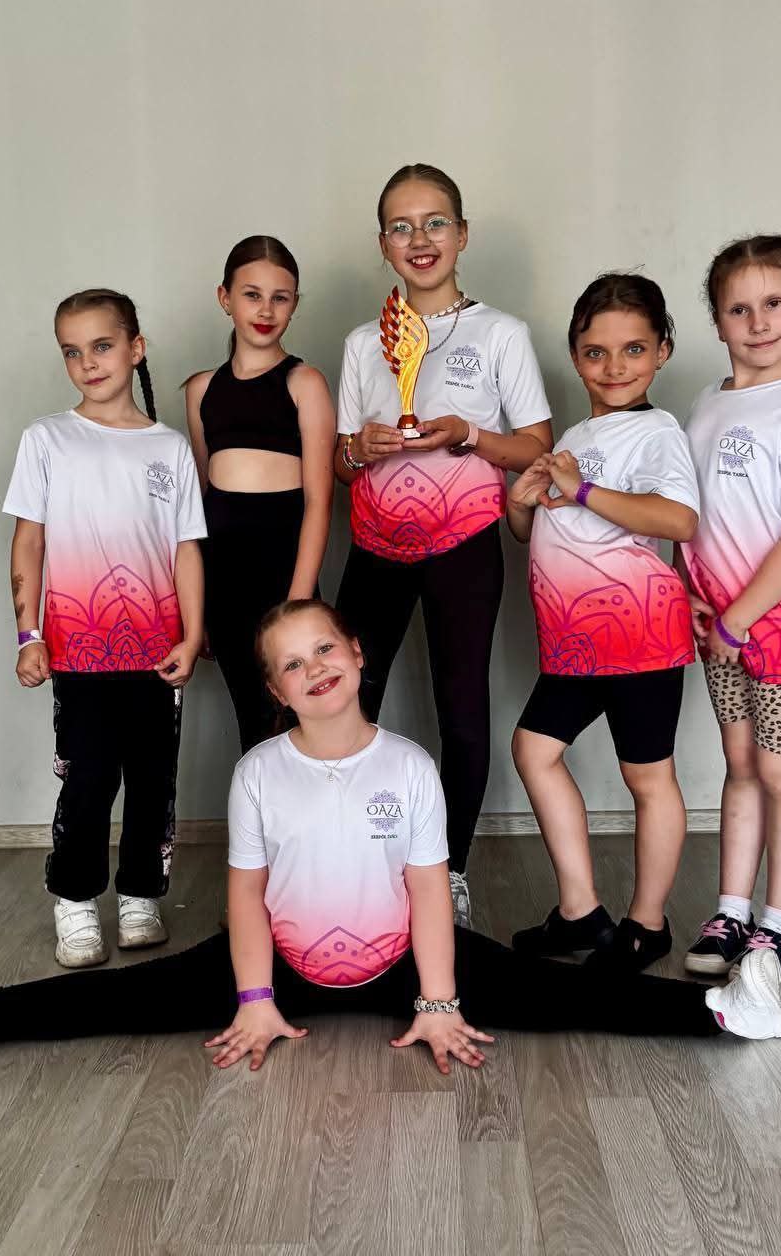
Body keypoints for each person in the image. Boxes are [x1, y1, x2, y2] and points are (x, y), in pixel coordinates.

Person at [0, 601, 781, 1063]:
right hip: (280, 961)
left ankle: (726, 1012)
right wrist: (254, 997)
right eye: (293, 664)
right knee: (131, 999)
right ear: (276, 691)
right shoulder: (260, 772)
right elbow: (246, 897)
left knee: (557, 994)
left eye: (326, 649)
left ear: (358, 654)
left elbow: (427, 891)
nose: (315, 669)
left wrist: (439, 1001)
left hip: (405, 957)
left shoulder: (407, 767)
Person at [334, 164, 554, 927]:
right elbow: (339, 462)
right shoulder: (363, 344)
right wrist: (356, 449)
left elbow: (536, 448)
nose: (419, 238)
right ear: (383, 245)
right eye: (401, 226)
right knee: (347, 698)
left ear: (461, 236)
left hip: (464, 548)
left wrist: (470, 435)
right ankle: (352, 862)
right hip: (375, 548)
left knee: (459, 709)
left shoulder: (501, 334)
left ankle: (451, 868)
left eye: (434, 223)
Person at [4, 289, 206, 968]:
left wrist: (192, 635)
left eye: (102, 346)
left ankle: (142, 896)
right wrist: (29, 635)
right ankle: (75, 900)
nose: (88, 362)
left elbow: (185, 548)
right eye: (72, 351)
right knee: (88, 779)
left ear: (135, 349)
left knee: (153, 780)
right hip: (77, 652)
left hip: (156, 654)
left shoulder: (168, 447)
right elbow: (29, 542)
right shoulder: (47, 439)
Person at [508, 275, 700, 973]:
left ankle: (647, 924)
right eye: (596, 352)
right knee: (534, 750)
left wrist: (582, 487)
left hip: (639, 636)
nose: (614, 367)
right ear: (575, 355)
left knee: (646, 777)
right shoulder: (576, 435)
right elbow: (539, 531)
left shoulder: (657, 432)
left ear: (662, 352)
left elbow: (678, 519)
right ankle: (580, 912)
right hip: (575, 644)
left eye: (633, 349)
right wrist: (522, 502)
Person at [677, 236, 781, 984]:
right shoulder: (707, 402)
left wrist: (737, 619)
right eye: (738, 308)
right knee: (741, 766)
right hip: (721, 624)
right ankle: (732, 912)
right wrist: (688, 590)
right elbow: (692, 512)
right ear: (716, 319)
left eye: (774, 303)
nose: (758, 322)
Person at [184, 236, 335, 753]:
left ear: (294, 303)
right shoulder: (201, 390)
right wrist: (197, 606)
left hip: (283, 574)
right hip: (224, 579)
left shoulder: (304, 382)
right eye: (252, 295)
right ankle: (256, 810)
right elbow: (200, 504)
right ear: (224, 298)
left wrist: (298, 601)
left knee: (294, 717)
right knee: (251, 719)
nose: (266, 310)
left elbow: (319, 502)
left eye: (280, 298)